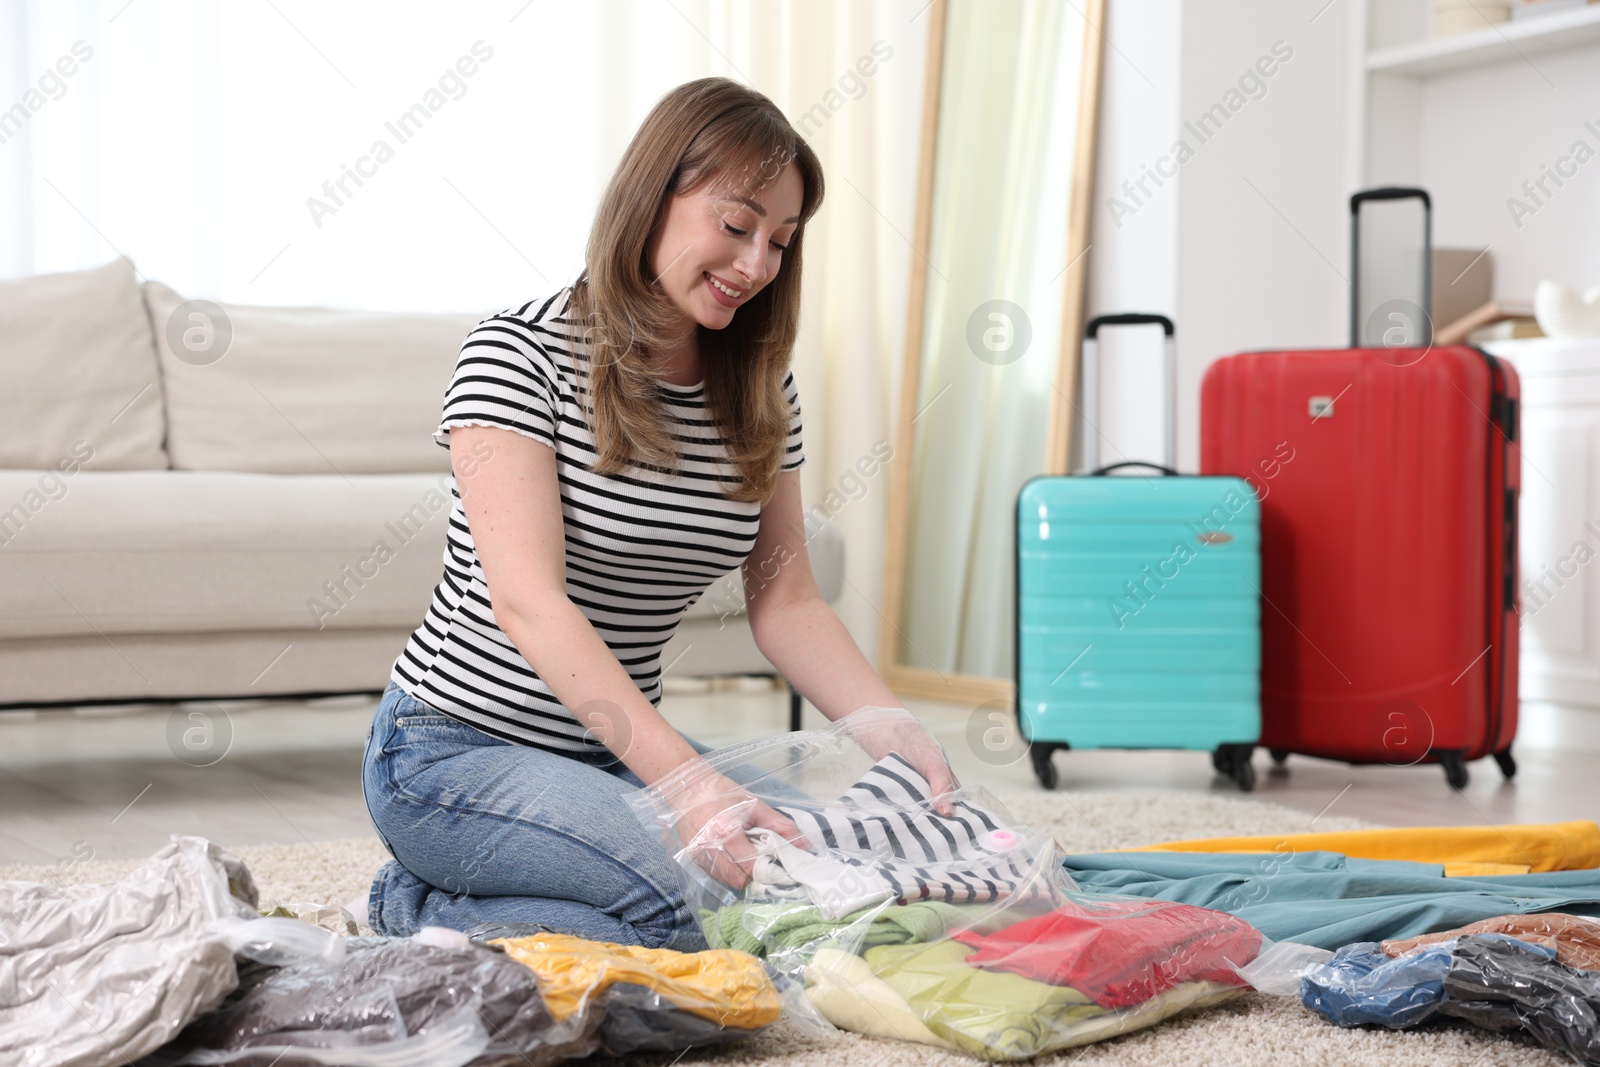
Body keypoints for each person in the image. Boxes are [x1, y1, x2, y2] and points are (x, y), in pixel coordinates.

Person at [358, 76, 956, 949]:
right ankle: (410, 905)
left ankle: (513, 883)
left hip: (610, 756)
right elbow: (529, 601)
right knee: (697, 916)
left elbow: (787, 599)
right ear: (655, 196)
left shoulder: (759, 389)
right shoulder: (516, 355)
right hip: (451, 756)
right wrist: (689, 786)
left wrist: (892, 730)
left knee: (843, 876)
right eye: (736, 223)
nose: (757, 265)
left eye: (781, 241)